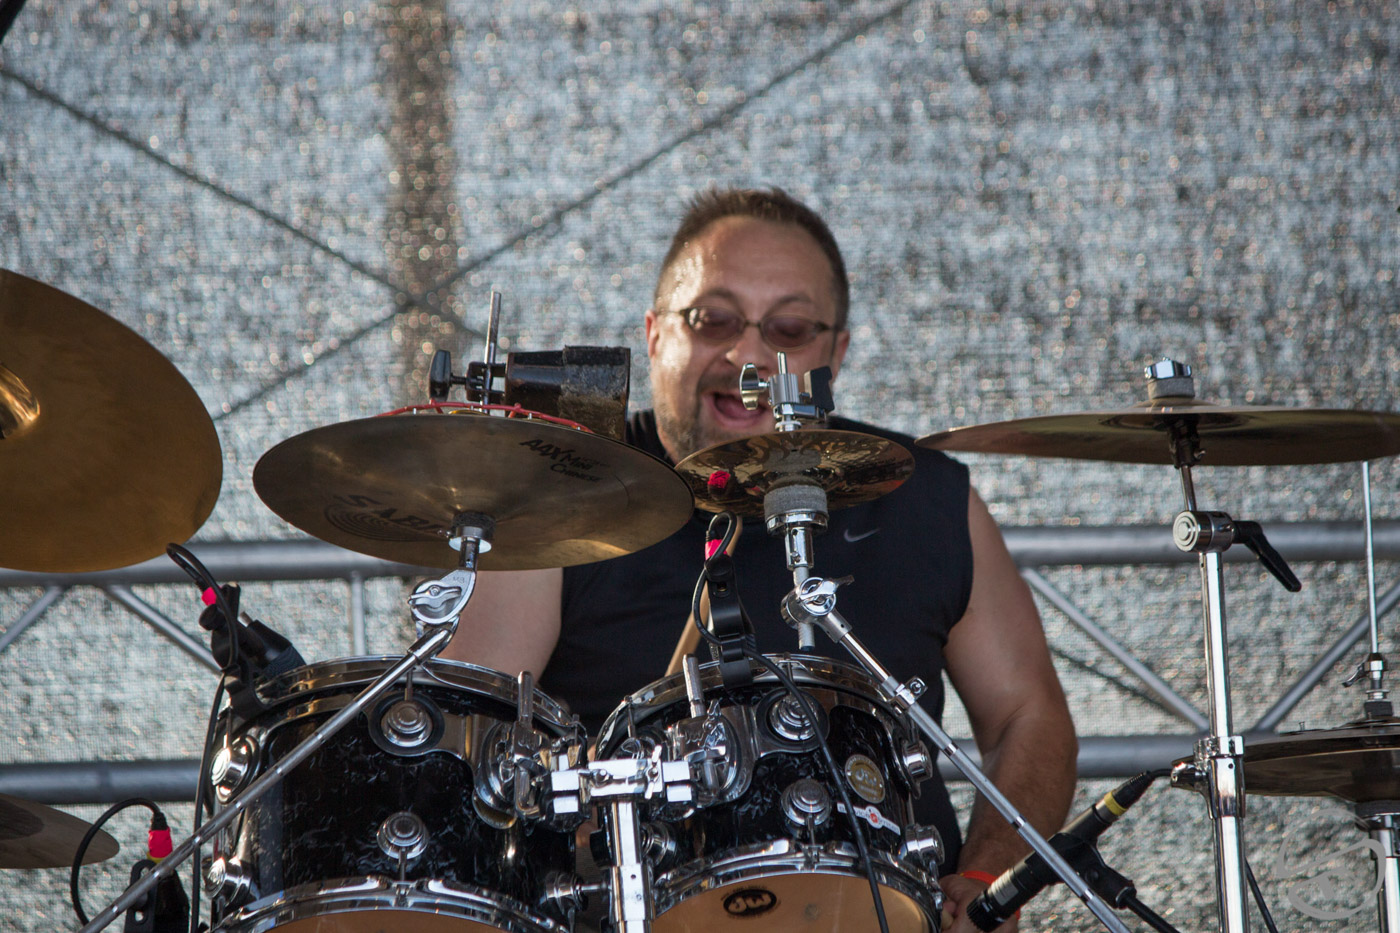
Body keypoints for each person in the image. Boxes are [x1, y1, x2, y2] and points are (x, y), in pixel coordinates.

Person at [442, 187, 1076, 932]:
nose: (746, 356)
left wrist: (988, 875)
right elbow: (465, 744)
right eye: (712, 320)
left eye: (789, 329)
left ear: (835, 352)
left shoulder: (928, 498)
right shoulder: (558, 497)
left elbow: (1027, 717)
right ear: (654, 334)